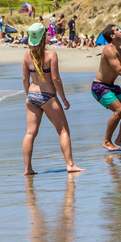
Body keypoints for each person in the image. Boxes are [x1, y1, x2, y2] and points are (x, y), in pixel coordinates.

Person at [21, 23, 84, 175]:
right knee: (63, 131)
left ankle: (28, 169)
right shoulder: (51, 55)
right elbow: (55, 78)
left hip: (32, 96)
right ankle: (70, 165)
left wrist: (29, 96)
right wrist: (63, 98)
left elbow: (25, 80)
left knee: (30, 133)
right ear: (44, 37)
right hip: (48, 96)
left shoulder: (26, 56)